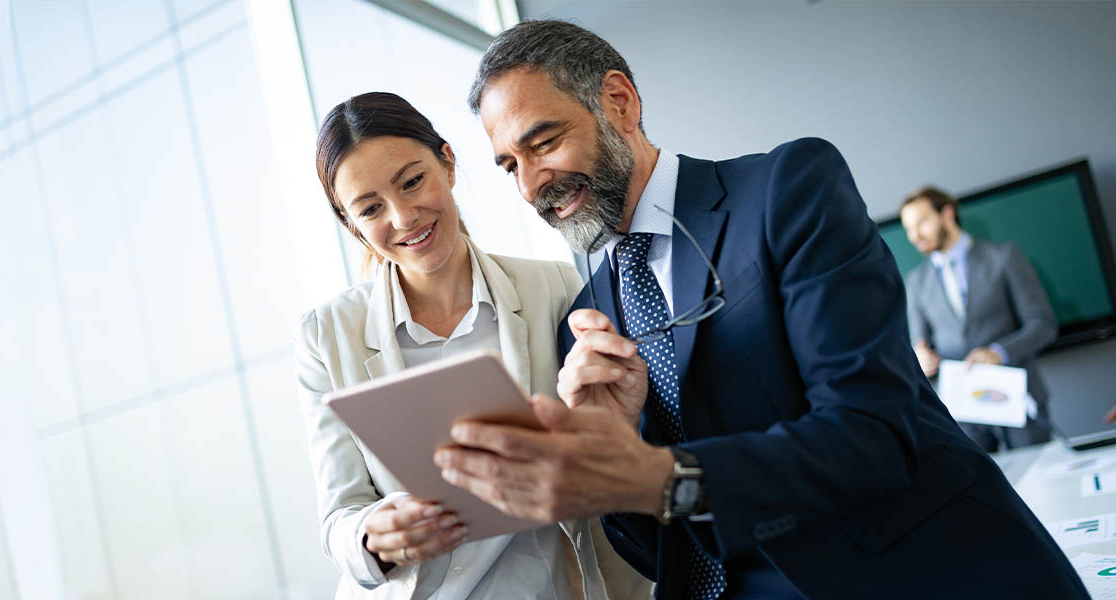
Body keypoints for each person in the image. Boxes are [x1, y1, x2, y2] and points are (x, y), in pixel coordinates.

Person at [431, 20, 1088, 599]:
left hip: (907, 572)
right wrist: (613, 451)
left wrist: (659, 474)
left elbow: (874, 433)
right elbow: (654, 551)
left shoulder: (786, 191)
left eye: (542, 143)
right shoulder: (588, 314)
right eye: (509, 165)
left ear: (619, 102)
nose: (531, 185)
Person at [294, 91, 651, 599]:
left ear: (448, 162)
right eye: (371, 208)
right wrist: (373, 536)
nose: (403, 217)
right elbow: (339, 517)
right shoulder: (326, 337)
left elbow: (621, 446)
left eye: (412, 181)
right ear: (351, 225)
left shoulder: (556, 290)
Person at [899, 186, 1058, 452]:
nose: (914, 236)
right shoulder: (915, 282)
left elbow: (1043, 324)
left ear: (947, 214)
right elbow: (920, 346)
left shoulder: (1004, 257)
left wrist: (999, 353)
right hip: (964, 414)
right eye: (908, 229)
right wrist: (921, 360)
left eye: (922, 223)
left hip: (1019, 401)